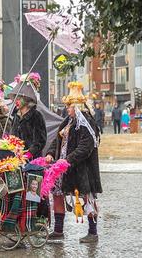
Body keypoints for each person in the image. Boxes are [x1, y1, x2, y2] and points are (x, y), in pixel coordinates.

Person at [46, 82, 102, 244]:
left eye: (69, 106)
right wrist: (51, 153)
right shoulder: (68, 121)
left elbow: (86, 147)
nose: (67, 109)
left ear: (77, 107)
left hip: (81, 169)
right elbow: (57, 139)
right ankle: (58, 231)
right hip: (63, 168)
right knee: (57, 195)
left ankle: (93, 232)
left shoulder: (87, 123)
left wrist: (68, 159)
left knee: (87, 198)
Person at [9, 75, 47, 159]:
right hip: (15, 158)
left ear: (26, 99)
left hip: (32, 159)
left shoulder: (36, 116)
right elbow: (12, 135)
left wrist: (30, 153)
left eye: (19, 99)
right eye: (15, 98)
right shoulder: (16, 115)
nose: (16, 101)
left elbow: (40, 140)